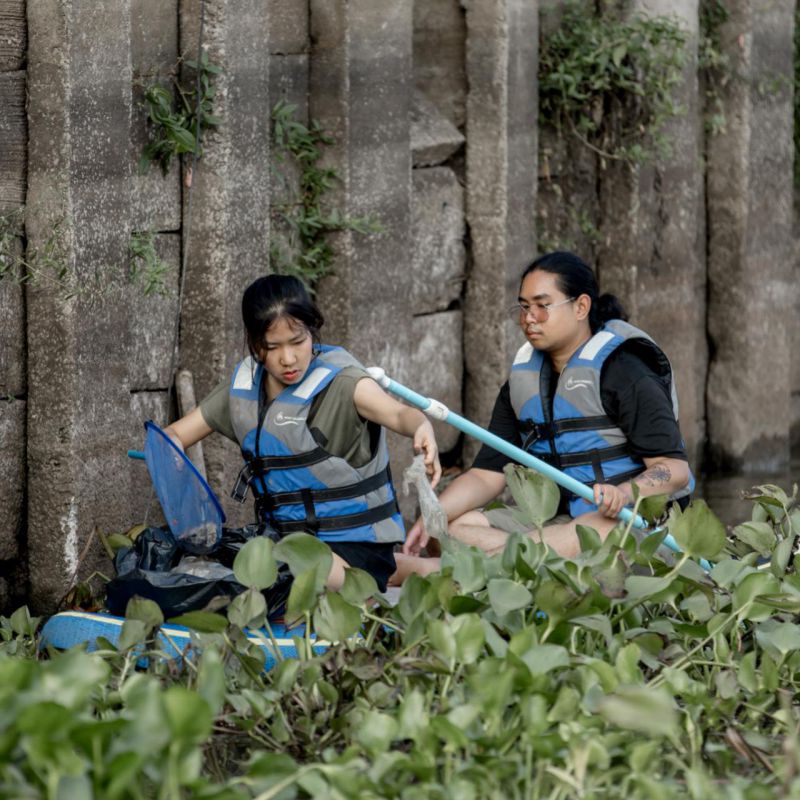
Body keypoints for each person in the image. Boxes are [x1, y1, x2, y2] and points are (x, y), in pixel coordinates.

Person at [404, 251, 694, 560]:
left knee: (595, 531)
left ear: (581, 306)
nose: (529, 318)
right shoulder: (523, 382)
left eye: (543, 307)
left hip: (627, 521)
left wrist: (622, 494)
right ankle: (526, 556)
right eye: (524, 307)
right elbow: (486, 476)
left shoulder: (627, 372)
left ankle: (470, 565)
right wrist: (433, 516)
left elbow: (674, 470)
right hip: (557, 520)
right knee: (447, 529)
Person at [166, 274, 441, 593]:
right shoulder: (244, 391)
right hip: (286, 542)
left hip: (355, 547)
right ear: (256, 346)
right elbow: (175, 435)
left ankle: (378, 578)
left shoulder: (343, 383)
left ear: (313, 332)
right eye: (273, 347)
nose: (288, 358)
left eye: (298, 341)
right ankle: (418, 569)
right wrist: (171, 463)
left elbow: (397, 412)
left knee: (282, 573)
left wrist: (422, 427)